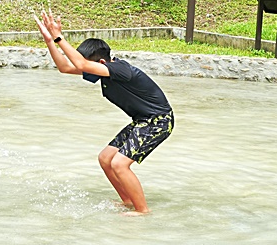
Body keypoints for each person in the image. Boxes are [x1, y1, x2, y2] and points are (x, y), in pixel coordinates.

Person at [35, 12, 174, 215]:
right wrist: (50, 42)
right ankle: (128, 201)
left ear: (101, 63)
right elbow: (65, 67)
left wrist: (59, 38)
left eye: (90, 65)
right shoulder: (103, 69)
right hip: (142, 121)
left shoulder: (121, 69)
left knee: (119, 163)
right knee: (105, 158)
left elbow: (81, 64)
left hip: (159, 122)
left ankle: (142, 210)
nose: (85, 69)